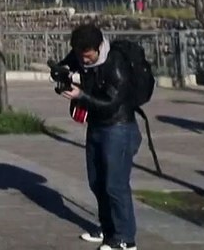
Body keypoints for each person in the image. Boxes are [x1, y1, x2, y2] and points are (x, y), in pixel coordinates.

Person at [58, 24, 141, 250]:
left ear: (98, 48)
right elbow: (66, 65)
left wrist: (81, 96)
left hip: (118, 127)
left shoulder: (115, 63)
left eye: (88, 57)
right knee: (97, 182)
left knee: (115, 184)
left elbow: (111, 103)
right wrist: (61, 73)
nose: (84, 61)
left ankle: (125, 239)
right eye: (80, 56)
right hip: (96, 126)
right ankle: (108, 228)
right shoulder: (79, 54)